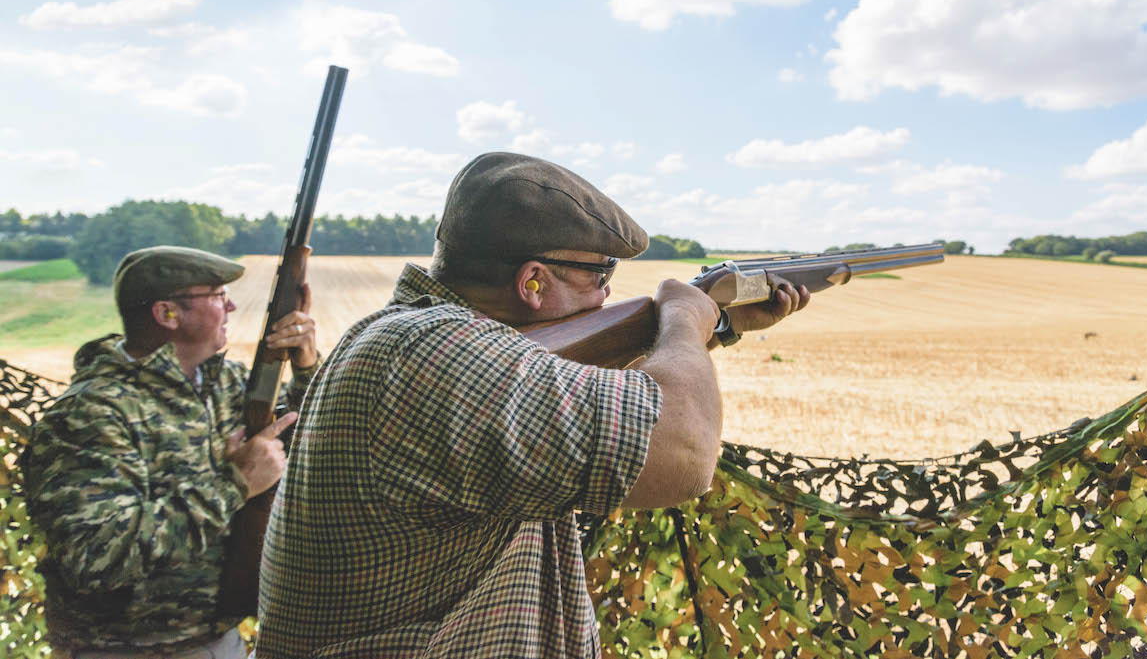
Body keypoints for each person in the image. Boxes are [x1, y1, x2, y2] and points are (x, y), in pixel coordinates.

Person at [255, 152, 808, 658]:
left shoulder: (412, 339)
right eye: (599, 274)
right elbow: (682, 453)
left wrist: (717, 325)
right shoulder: (437, 353)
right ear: (534, 282)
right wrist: (684, 321)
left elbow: (587, 401)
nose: (606, 296)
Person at [21, 246, 320, 659]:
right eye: (216, 295)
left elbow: (300, 444)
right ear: (167, 314)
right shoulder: (90, 414)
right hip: (126, 650)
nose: (231, 304)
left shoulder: (224, 383)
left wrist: (305, 367)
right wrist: (234, 485)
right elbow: (95, 557)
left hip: (219, 641)